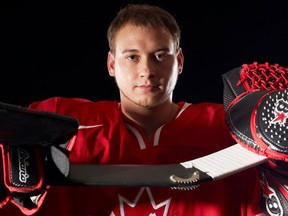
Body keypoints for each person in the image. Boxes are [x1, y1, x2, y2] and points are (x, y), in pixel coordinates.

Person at [0, 3, 264, 216]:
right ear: (112, 64)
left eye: (160, 55)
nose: (147, 71)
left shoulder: (230, 128)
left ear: (179, 61)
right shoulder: (60, 124)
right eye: (132, 57)